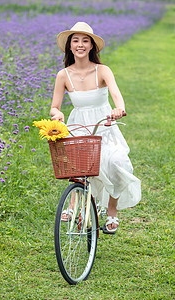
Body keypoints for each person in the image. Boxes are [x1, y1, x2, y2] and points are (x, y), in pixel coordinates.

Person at [50, 22, 141, 234]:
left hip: (104, 123)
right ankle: (73, 206)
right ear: (70, 47)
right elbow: (54, 106)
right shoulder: (64, 75)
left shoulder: (102, 70)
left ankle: (112, 211)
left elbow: (116, 93)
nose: (80, 45)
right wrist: (58, 114)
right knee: (80, 165)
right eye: (75, 41)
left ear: (92, 46)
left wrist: (119, 108)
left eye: (85, 41)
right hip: (78, 123)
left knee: (117, 162)